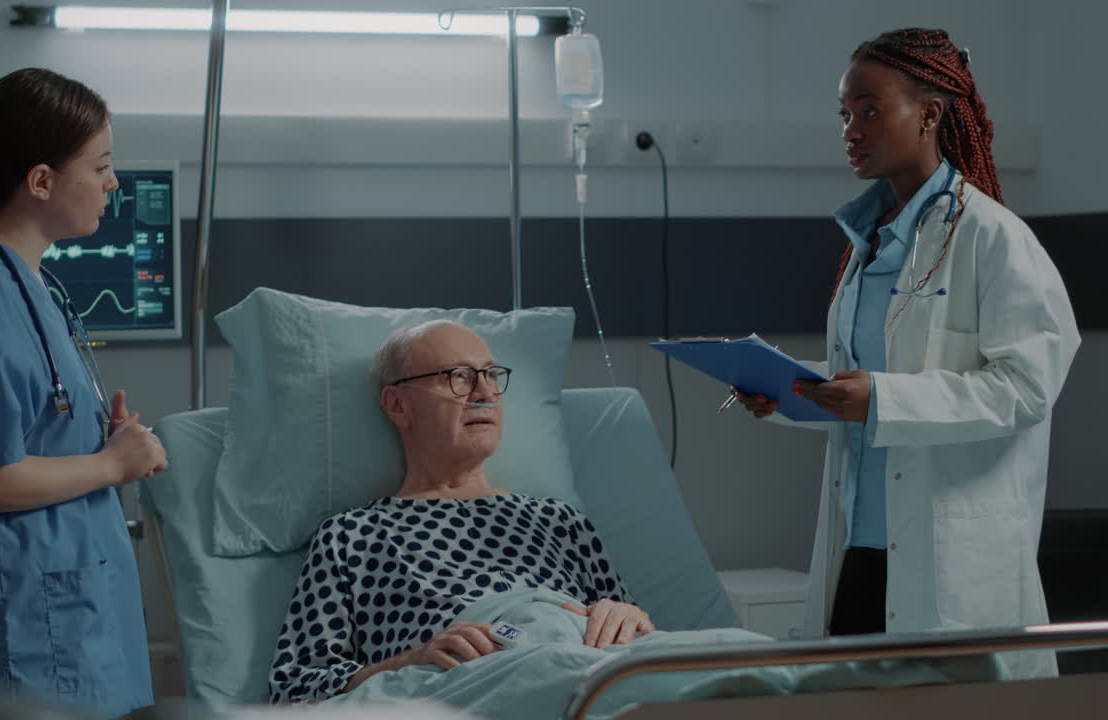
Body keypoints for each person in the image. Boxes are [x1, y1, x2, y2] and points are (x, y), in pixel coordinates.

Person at [736, 29, 1079, 678]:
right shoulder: (866, 248)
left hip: (950, 568)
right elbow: (862, 391)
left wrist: (881, 399)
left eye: (869, 109)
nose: (851, 129)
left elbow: (1026, 388)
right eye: (844, 114)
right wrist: (791, 394)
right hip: (860, 556)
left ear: (929, 114)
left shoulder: (995, 240)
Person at [0, 68, 169, 717]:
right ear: (42, 180)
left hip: (67, 621)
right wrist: (112, 465)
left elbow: (33, 430)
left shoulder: (27, 284)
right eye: (101, 166)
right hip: (14, 636)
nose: (113, 183)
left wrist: (106, 440)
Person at [268, 320, 655, 702]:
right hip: (481, 682)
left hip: (600, 670)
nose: (484, 391)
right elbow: (296, 690)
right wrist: (410, 660)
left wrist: (625, 615)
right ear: (397, 405)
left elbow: (641, 634)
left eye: (490, 375)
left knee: (708, 655)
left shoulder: (559, 521)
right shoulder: (352, 535)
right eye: (458, 377)